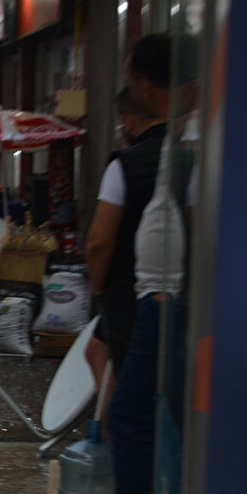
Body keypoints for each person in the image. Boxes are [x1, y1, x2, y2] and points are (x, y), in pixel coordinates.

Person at [71, 32, 196, 494]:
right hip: (174, 306)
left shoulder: (133, 163)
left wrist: (100, 293)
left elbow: (99, 243)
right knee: (162, 416)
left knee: (131, 414)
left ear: (144, 87)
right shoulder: (192, 148)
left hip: (152, 305)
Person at [85, 87, 167, 380]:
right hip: (174, 295)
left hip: (128, 293)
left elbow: (99, 243)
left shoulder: (123, 165)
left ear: (129, 121)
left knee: (117, 371)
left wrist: (99, 291)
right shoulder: (186, 154)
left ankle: (112, 425)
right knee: (97, 350)